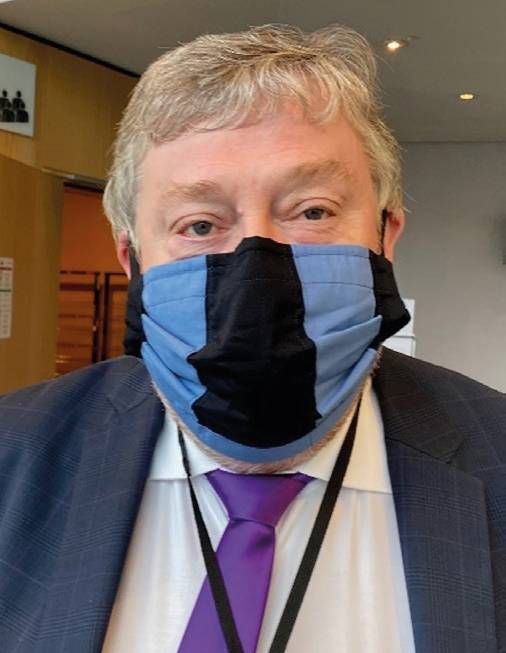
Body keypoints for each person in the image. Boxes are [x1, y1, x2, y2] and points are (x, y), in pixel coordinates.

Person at [0, 23, 504, 653]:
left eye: (313, 211)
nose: (256, 261)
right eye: (199, 223)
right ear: (132, 261)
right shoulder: (13, 455)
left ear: (385, 235)